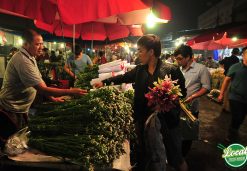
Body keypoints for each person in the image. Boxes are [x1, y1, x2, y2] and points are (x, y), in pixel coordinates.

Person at [94, 34, 188, 171]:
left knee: (176, 158)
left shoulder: (171, 70)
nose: (138, 54)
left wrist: (165, 100)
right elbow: (124, 77)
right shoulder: (139, 70)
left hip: (167, 122)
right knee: (149, 155)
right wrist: (104, 82)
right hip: (143, 121)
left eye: (140, 50)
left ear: (151, 52)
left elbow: (182, 93)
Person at [0, 29, 87, 149]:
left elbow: (40, 84)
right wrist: (71, 91)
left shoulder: (30, 57)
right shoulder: (23, 60)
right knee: (9, 145)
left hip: (21, 108)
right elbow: (42, 89)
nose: (41, 47)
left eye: (42, 43)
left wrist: (52, 99)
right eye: (37, 44)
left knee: (19, 141)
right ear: (26, 44)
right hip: (11, 109)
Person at [174, 45, 211, 156]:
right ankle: (175, 154)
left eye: (180, 58)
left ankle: (183, 156)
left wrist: (192, 97)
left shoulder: (201, 69)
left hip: (190, 108)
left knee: (187, 135)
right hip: (176, 107)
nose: (178, 61)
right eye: (176, 59)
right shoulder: (178, 69)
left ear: (189, 57)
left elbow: (206, 87)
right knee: (175, 132)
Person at [218, 47, 247, 142]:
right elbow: (226, 80)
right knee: (237, 116)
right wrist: (221, 94)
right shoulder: (235, 66)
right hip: (235, 97)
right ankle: (231, 134)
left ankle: (234, 129)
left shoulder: (228, 59)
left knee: (241, 117)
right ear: (243, 55)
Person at [219, 48, 240, 112]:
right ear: (237, 53)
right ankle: (226, 107)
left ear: (232, 52)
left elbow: (220, 62)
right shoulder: (236, 59)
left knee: (223, 90)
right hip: (232, 78)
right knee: (228, 92)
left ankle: (222, 102)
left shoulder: (226, 58)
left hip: (225, 76)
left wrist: (224, 66)